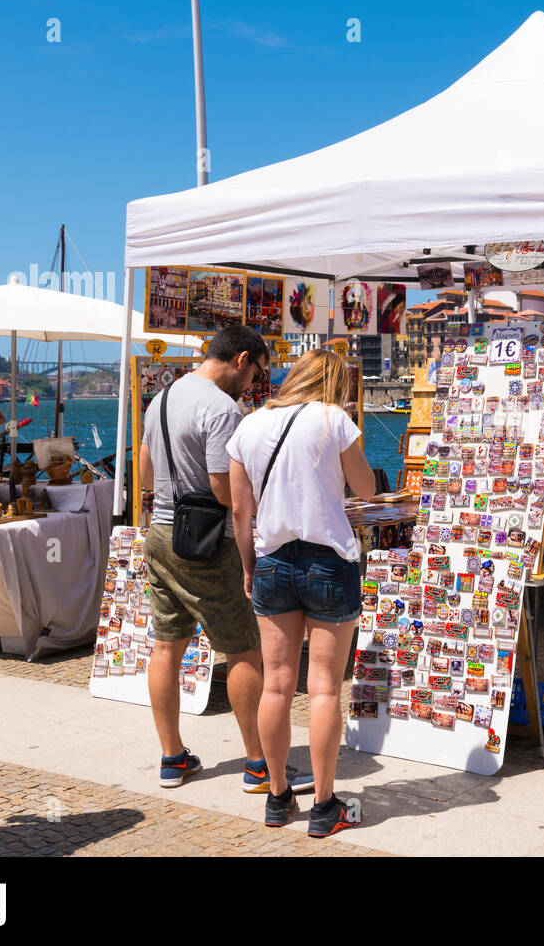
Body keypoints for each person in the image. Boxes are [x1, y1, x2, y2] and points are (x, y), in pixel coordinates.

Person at [227, 348, 374, 836]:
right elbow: (366, 487)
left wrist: (249, 567)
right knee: (326, 687)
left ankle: (276, 799)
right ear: (334, 382)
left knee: (276, 685)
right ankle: (325, 806)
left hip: (271, 560)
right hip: (328, 560)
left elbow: (239, 512)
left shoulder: (249, 425)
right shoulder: (333, 419)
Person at [138, 325, 274, 792]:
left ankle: (172, 757)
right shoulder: (222, 409)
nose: (254, 383)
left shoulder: (163, 397)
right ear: (241, 359)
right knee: (243, 647)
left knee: (166, 646)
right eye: (256, 372)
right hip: (205, 541)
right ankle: (259, 764)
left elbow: (146, 466)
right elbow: (224, 490)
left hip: (160, 531)